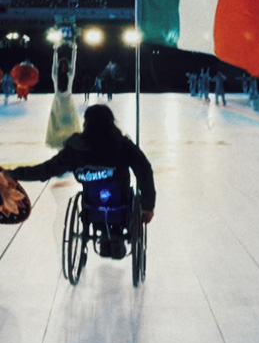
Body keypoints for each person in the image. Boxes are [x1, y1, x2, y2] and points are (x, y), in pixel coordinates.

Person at [8, 104, 155, 227]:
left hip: (92, 205)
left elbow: (46, 170)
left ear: (86, 124)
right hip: (120, 204)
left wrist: (13, 174)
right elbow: (144, 171)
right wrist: (148, 205)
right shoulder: (123, 146)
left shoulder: (76, 148)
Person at [45, 39, 81, 149]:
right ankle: (59, 141)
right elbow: (54, 65)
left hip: (68, 102)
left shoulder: (70, 75)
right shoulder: (55, 76)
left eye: (66, 65)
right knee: (57, 123)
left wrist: (74, 51)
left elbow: (74, 63)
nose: (64, 67)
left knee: (69, 123)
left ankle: (70, 141)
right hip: (58, 102)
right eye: (62, 65)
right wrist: (55, 51)